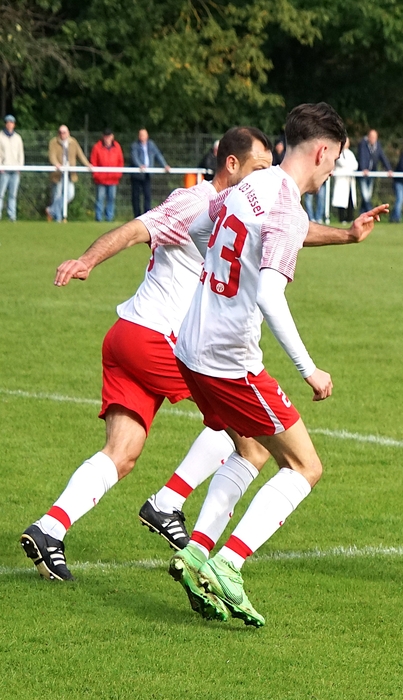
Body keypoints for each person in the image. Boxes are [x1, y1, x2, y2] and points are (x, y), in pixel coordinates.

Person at [21, 127, 275, 582]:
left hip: (127, 337)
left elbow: (293, 232)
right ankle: (169, 505)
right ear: (232, 164)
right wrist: (87, 260)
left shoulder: (236, 212)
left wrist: (346, 235)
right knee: (250, 438)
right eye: (259, 168)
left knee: (122, 454)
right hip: (155, 340)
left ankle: (48, 529)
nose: (265, 179)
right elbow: (135, 230)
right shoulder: (194, 202)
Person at [168, 103, 367, 627]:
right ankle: (228, 565)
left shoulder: (249, 185)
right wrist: (309, 369)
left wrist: (220, 282)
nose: (331, 171)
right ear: (321, 151)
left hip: (189, 348)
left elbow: (199, 227)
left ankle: (197, 552)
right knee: (305, 466)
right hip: (229, 361)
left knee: (251, 449)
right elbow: (270, 296)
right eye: (334, 160)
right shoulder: (287, 207)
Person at [47, 125, 93, 222]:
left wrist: (87, 164)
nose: (62, 134)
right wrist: (56, 164)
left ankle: (51, 210)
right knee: (57, 194)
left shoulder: (73, 142)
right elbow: (52, 156)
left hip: (70, 173)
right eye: (60, 132)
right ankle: (58, 218)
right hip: (58, 173)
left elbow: (80, 154)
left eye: (64, 132)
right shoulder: (53, 142)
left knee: (70, 194)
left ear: (68, 133)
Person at [130, 129, 170, 217]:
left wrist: (165, 165)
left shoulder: (151, 145)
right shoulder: (135, 145)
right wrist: (140, 165)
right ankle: (137, 216)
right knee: (136, 197)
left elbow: (158, 155)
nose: (142, 137)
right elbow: (134, 157)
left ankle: (146, 216)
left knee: (147, 196)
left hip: (147, 175)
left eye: (144, 135)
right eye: (140, 135)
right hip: (137, 175)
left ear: (147, 136)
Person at [90, 128, 125, 222]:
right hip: (100, 179)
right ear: (103, 137)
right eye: (106, 136)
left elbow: (120, 162)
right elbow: (93, 162)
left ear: (112, 137)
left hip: (113, 179)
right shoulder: (97, 147)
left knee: (111, 199)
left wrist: (118, 175)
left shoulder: (117, 147)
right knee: (99, 199)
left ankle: (109, 218)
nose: (107, 138)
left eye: (109, 136)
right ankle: (98, 218)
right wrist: (97, 175)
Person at [358, 128, 392, 213]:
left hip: (371, 174)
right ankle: (371, 212)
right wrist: (363, 168)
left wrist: (389, 169)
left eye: (374, 137)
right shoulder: (363, 144)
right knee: (366, 195)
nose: (373, 139)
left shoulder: (378, 146)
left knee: (367, 196)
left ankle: (362, 213)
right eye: (371, 137)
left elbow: (382, 157)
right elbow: (362, 157)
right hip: (363, 174)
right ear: (368, 137)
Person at [0, 114, 25, 221]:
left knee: (13, 195)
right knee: (1, 194)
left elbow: (21, 153)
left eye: (11, 123)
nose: (9, 124)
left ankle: (12, 216)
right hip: (4, 170)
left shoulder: (18, 138)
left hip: (15, 170)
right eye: (8, 122)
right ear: (5, 124)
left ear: (14, 125)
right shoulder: (0, 136)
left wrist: (20, 167)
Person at [332, 137, 358, 223]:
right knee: (341, 200)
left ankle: (350, 218)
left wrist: (349, 167)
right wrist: (349, 166)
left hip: (349, 180)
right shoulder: (338, 152)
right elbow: (342, 163)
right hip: (341, 180)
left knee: (350, 199)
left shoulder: (350, 153)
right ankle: (342, 218)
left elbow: (355, 165)